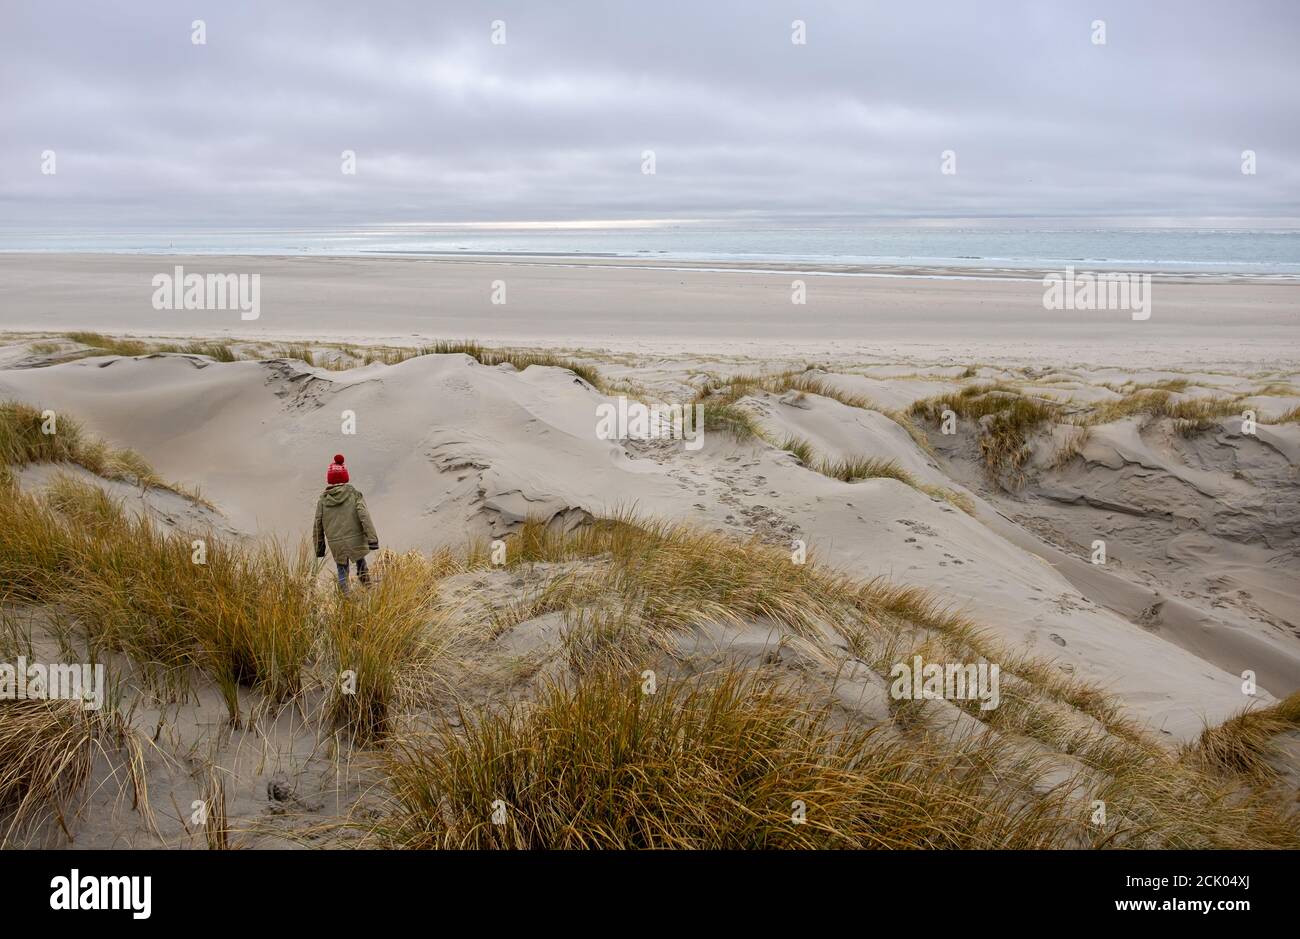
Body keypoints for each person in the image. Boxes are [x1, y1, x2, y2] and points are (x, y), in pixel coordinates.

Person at [313, 454, 379, 593]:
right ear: (345, 477)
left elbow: (317, 525)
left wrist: (319, 548)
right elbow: (364, 516)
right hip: (355, 539)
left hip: (336, 543)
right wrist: (372, 539)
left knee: (342, 571)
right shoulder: (354, 494)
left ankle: (346, 600)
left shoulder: (323, 501)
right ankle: (370, 591)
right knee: (361, 565)